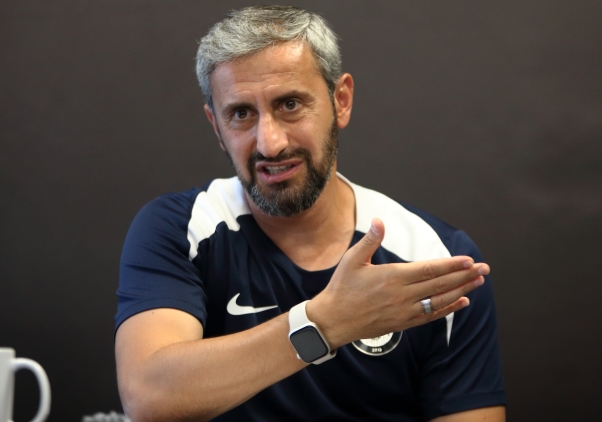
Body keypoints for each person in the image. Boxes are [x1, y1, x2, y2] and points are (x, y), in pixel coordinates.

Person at [114, 6, 506, 421]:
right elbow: (149, 396)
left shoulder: (433, 259)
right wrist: (326, 323)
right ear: (216, 126)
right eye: (241, 114)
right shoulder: (182, 230)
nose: (270, 143)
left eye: (290, 104)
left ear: (341, 101)